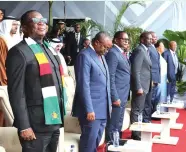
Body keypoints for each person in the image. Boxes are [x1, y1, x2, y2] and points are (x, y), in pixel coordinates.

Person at [6, 10, 67, 152]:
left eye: (43, 20)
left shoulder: (48, 49)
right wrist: (24, 125)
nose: (41, 23)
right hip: (35, 124)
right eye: (35, 20)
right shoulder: (19, 52)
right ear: (24, 28)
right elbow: (16, 92)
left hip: (53, 119)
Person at [71, 31, 112, 152]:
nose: (107, 50)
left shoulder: (102, 56)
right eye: (105, 47)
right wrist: (89, 109)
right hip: (92, 110)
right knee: (88, 143)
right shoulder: (85, 56)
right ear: (97, 42)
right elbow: (84, 85)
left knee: (95, 142)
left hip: (103, 109)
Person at [105, 31, 130, 141]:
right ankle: (110, 145)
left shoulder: (121, 53)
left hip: (123, 93)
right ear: (115, 40)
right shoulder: (113, 53)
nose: (126, 41)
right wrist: (114, 97)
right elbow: (110, 77)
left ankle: (116, 142)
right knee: (114, 122)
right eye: (123, 39)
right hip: (117, 94)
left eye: (127, 40)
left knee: (119, 121)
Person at [130, 32, 152, 140]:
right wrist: (138, 86)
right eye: (148, 39)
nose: (151, 40)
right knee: (137, 110)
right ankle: (135, 135)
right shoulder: (139, 50)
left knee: (140, 110)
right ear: (142, 40)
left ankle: (138, 132)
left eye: (151, 39)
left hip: (145, 85)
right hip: (140, 87)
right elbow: (135, 70)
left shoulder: (145, 50)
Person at [143, 31, 161, 121]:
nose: (155, 38)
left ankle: (149, 117)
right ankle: (146, 119)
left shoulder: (153, 47)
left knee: (153, 99)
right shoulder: (148, 48)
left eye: (155, 37)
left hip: (156, 78)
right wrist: (152, 79)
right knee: (149, 100)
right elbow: (148, 65)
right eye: (153, 37)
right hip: (151, 79)